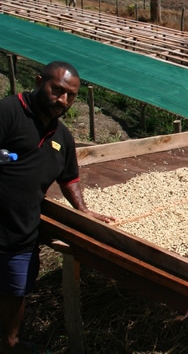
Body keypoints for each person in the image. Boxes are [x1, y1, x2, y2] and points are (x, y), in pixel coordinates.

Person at [0, 61, 116, 353]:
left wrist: (82, 210)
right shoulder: (8, 112)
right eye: (58, 91)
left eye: (71, 96)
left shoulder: (62, 137)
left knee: (16, 294)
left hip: (21, 237)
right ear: (39, 81)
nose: (63, 101)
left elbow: (69, 178)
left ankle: (10, 344)